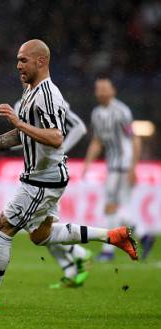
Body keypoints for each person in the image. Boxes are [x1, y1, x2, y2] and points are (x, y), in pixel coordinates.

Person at [0, 39, 138, 312]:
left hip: (41, 178)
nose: (18, 65)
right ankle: (112, 236)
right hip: (48, 176)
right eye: (17, 60)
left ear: (41, 61)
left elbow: (55, 137)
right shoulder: (31, 92)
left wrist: (18, 121)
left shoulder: (47, 95)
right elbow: (21, 134)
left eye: (23, 60)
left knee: (1, 229)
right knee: (41, 235)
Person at [16, 88, 92, 288]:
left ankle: (77, 255)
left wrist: (60, 152)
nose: (20, 69)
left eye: (24, 61)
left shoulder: (51, 100)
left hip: (48, 176)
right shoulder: (21, 104)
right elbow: (26, 140)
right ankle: (72, 266)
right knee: (37, 227)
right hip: (33, 174)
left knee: (27, 221)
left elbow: (79, 127)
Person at [82, 78, 155, 261]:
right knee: (114, 208)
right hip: (112, 166)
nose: (101, 92)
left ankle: (109, 251)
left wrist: (133, 167)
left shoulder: (121, 111)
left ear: (113, 91)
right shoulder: (97, 113)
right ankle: (143, 234)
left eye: (105, 88)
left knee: (111, 207)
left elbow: (135, 139)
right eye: (99, 89)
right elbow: (97, 141)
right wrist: (87, 163)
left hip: (123, 165)